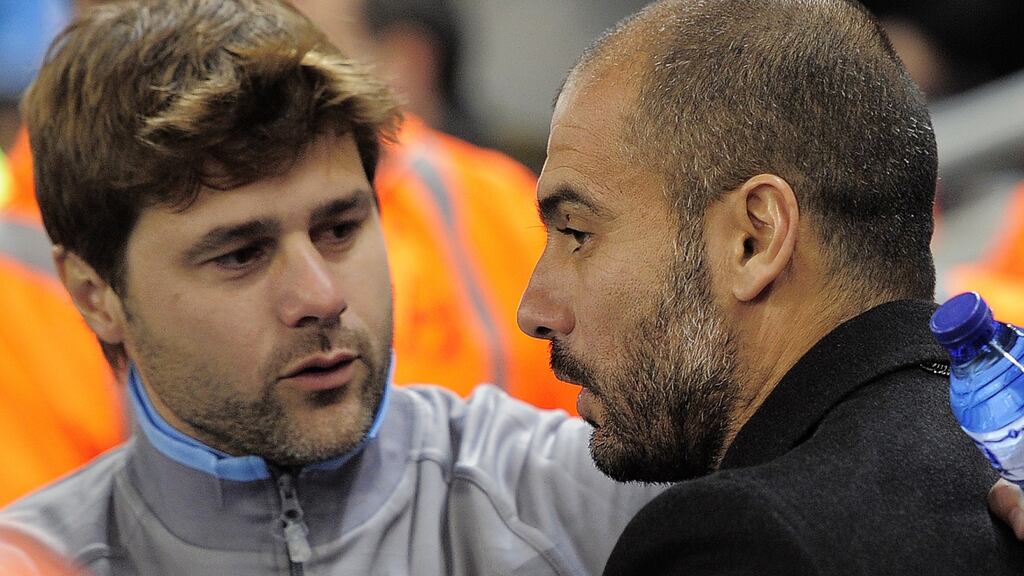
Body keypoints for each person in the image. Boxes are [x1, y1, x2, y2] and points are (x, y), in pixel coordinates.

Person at [0, 1, 660, 574]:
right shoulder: (37, 559)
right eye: (241, 254)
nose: (321, 298)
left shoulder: (582, 501)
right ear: (94, 294)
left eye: (339, 229)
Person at [514, 0, 1024, 574]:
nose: (535, 309)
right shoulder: (1003, 461)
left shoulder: (737, 540)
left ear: (754, 240)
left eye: (578, 233)